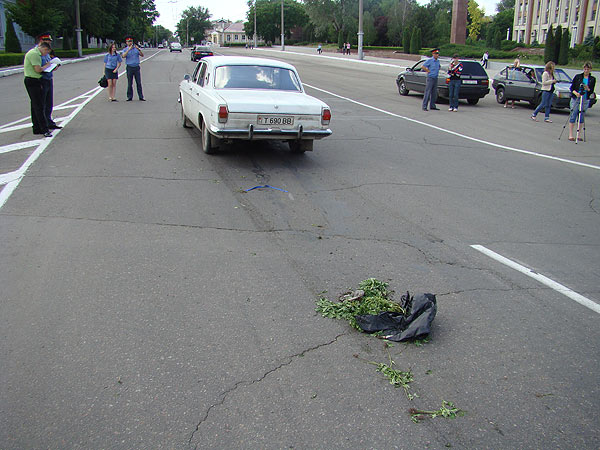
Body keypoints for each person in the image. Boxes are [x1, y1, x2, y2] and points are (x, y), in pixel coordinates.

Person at [23, 41, 53, 137]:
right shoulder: (35, 54)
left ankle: (37, 128)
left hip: (34, 80)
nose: (46, 54)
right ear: (44, 48)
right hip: (33, 80)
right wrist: (47, 66)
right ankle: (44, 129)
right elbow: (38, 69)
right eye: (46, 52)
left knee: (35, 105)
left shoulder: (35, 53)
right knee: (39, 106)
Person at [37, 33, 61, 130]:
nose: (49, 43)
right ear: (42, 41)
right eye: (47, 41)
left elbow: (49, 62)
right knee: (42, 103)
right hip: (42, 79)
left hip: (48, 77)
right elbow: (39, 66)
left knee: (49, 102)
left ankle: (49, 121)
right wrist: (48, 66)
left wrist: (54, 66)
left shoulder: (47, 52)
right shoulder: (37, 52)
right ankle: (43, 123)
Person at [568, 61, 596, 141]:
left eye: (588, 69)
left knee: (581, 116)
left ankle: (578, 134)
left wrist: (587, 88)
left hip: (585, 99)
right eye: (585, 69)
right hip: (576, 98)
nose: (586, 71)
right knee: (573, 114)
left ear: (590, 70)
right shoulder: (578, 77)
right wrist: (576, 93)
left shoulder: (592, 79)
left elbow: (591, 91)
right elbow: (572, 88)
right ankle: (571, 134)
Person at [121, 36, 145, 101]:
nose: (130, 43)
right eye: (128, 41)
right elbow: (123, 56)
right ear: (126, 43)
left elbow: (142, 55)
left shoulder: (136, 49)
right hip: (129, 67)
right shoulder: (125, 49)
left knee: (138, 83)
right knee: (129, 83)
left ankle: (141, 96)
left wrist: (139, 49)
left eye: (131, 41)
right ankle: (129, 97)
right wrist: (129, 49)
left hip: (136, 67)